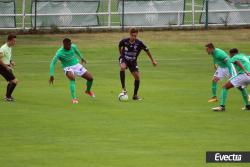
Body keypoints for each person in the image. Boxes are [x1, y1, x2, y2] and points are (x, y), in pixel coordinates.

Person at [49, 38, 95, 104]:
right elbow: (52, 63)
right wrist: (51, 74)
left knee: (90, 78)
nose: (70, 46)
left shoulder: (73, 46)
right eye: (69, 44)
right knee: (72, 78)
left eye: (70, 44)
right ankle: (74, 99)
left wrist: (82, 58)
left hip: (76, 65)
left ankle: (88, 91)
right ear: (64, 44)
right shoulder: (59, 52)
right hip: (67, 67)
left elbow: (77, 51)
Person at [118, 28, 157, 100]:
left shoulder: (139, 43)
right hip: (124, 59)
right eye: (133, 36)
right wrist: (121, 55)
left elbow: (147, 50)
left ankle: (135, 96)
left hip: (133, 61)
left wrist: (152, 60)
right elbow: (119, 46)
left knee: (137, 77)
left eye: (135, 36)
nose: (134, 37)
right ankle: (123, 89)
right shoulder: (124, 41)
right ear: (130, 34)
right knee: (122, 67)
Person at [0, 34, 18, 101]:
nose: (15, 42)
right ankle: (8, 97)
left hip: (7, 66)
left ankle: (7, 96)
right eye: (13, 41)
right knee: (15, 81)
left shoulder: (10, 47)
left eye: (15, 41)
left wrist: (11, 61)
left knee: (11, 82)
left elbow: (7, 58)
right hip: (3, 67)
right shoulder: (3, 48)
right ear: (9, 41)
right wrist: (6, 67)